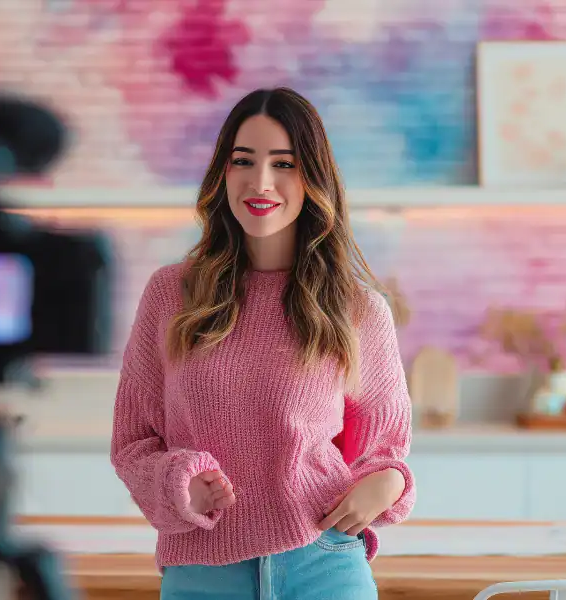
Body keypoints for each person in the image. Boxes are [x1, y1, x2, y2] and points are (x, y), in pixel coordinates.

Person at [110, 87, 414, 600]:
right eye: (243, 161)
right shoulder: (171, 294)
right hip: (203, 573)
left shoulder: (358, 309)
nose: (261, 181)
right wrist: (179, 480)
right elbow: (133, 443)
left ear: (313, 176)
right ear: (222, 174)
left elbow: (386, 451)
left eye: (285, 163)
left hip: (326, 562)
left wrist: (388, 484)